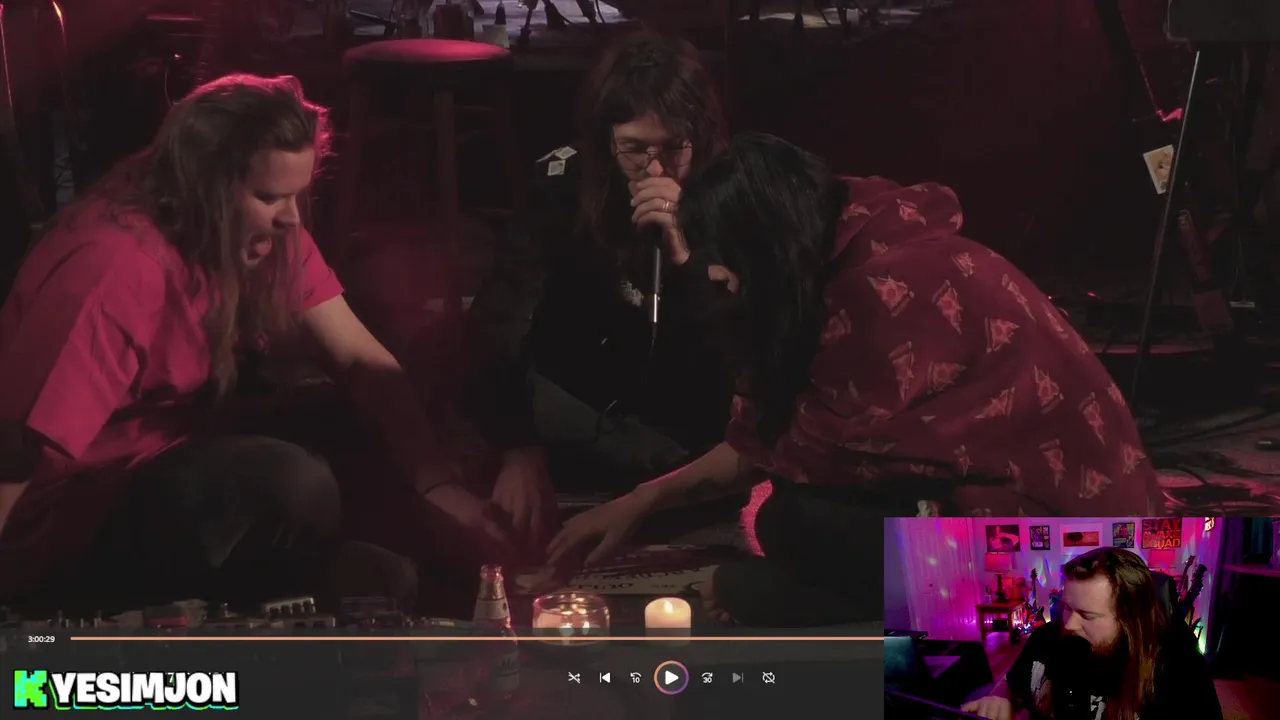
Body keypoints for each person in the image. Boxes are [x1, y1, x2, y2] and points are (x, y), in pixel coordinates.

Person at [547, 133, 1165, 627]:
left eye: (723, 258)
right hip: (1009, 504)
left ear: (761, 248)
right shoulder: (841, 246)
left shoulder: (877, 295)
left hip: (1075, 548)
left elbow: (794, 456)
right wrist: (641, 501)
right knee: (790, 519)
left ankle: (838, 602)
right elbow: (768, 439)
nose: (715, 275)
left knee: (798, 520)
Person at [0, 74, 538, 616]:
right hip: (72, 518)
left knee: (405, 406)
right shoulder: (113, 270)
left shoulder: (258, 231)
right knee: (291, 482)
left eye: (296, 194)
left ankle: (371, 567)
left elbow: (359, 359)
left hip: (174, 455)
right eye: (268, 197)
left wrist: (439, 487)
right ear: (203, 188)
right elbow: (14, 453)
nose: (292, 218)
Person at [466, 30, 737, 497]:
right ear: (606, 140)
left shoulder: (728, 195)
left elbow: (739, 356)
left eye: (674, 147)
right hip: (586, 393)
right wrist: (518, 446)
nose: (655, 169)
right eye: (634, 148)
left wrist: (684, 258)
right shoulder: (564, 187)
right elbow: (500, 319)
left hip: (686, 406)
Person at [962, 548, 1222, 720]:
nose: (1069, 624)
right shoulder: (1046, 638)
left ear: (1131, 619)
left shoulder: (1178, 665)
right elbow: (1012, 681)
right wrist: (999, 698)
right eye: (1066, 607)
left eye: (1087, 615)